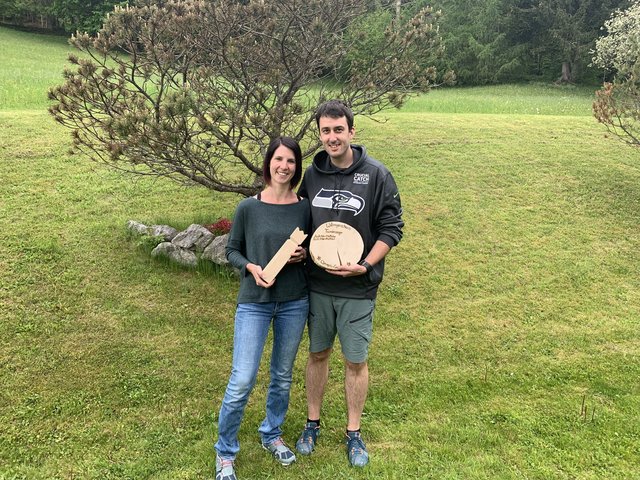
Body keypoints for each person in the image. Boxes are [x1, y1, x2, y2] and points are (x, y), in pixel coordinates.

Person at [295, 100, 404, 467]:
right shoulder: (312, 174)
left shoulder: (376, 174)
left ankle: (353, 433)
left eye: (338, 129)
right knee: (318, 354)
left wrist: (365, 265)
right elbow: (303, 223)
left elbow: (392, 228)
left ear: (351, 131)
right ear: (320, 134)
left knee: (355, 361)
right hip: (318, 285)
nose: (332, 137)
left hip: (358, 289)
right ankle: (312, 423)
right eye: (325, 131)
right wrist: (295, 251)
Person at [214, 136, 310, 480]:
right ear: (268, 162)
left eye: (291, 161)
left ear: (297, 167)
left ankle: (271, 433)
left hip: (294, 302)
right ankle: (225, 453)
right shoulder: (247, 208)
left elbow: (312, 250)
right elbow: (232, 251)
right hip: (254, 304)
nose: (284, 166)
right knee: (242, 379)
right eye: (279, 159)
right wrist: (251, 268)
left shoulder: (305, 207)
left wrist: (304, 255)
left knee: (282, 376)